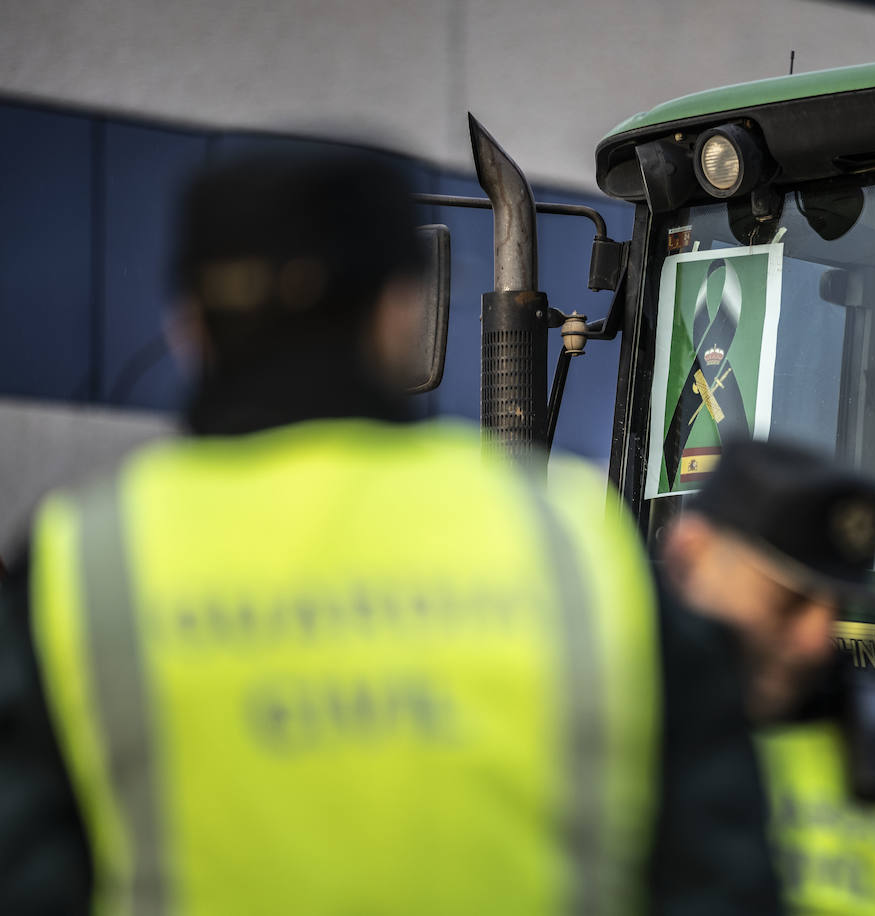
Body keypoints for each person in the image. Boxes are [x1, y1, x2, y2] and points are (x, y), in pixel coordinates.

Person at [0, 148, 779, 914]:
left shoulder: (78, 568)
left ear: (188, 326)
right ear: (405, 313)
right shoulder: (575, 543)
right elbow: (717, 871)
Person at [658, 439, 875, 915]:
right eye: (790, 601)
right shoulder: (599, 713)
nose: (816, 641)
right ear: (690, 555)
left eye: (839, 609)